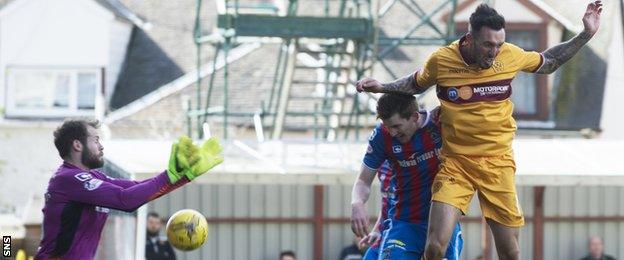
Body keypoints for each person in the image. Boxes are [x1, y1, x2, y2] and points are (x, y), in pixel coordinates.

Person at [356, 2, 602, 259]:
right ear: (470, 38)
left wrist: (585, 34)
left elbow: (549, 61)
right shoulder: (442, 60)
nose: (494, 52)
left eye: (498, 44)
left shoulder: (510, 55)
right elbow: (414, 84)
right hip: (456, 164)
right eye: (488, 45)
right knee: (434, 247)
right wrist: (382, 86)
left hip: (498, 163)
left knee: (510, 252)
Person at [35, 118, 223, 259]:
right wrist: (169, 177)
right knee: (6, 246)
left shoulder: (93, 177)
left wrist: (184, 176)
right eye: (96, 140)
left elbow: (135, 189)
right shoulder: (68, 179)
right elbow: (125, 200)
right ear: (77, 144)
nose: (101, 146)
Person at [351, 94, 462, 259]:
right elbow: (363, 181)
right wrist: (357, 203)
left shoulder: (442, 124)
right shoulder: (382, 135)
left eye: (396, 126)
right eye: (388, 126)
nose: (392, 132)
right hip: (404, 222)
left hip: (443, 220)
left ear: (415, 117)